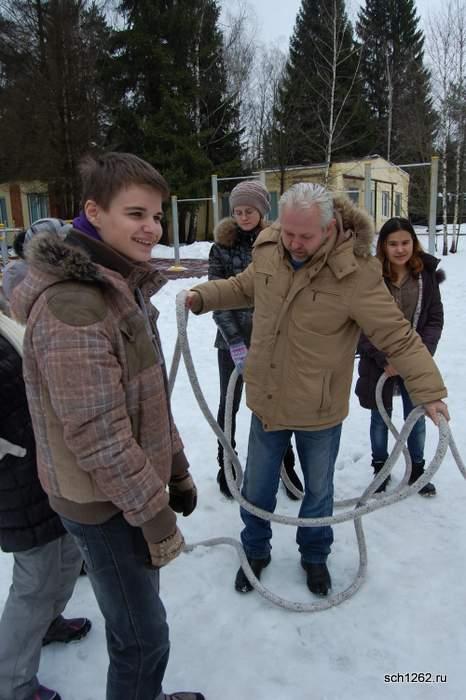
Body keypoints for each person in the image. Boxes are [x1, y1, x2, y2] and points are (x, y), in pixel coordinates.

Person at [184, 183, 449, 598]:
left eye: (304, 236)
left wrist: (428, 389)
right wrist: (202, 295)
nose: (294, 242)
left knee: (319, 492)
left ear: (329, 227)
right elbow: (245, 286)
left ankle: (314, 556)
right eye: (288, 232)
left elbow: (396, 334)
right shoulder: (270, 246)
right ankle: (254, 551)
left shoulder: (356, 273)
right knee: (256, 489)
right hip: (268, 399)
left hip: (319, 409)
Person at [10, 153, 204, 700]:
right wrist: (153, 514)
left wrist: (177, 467)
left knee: (142, 621)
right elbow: (97, 433)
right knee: (142, 638)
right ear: (94, 212)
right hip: (103, 503)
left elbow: (147, 396)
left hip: (129, 491)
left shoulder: (117, 283)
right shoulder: (76, 305)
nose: (152, 228)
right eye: (135, 214)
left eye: (157, 216)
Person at [0, 309, 91, 700]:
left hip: (48, 462)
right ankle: (12, 683)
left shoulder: (3, 318)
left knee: (69, 553)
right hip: (13, 479)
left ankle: (48, 623)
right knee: (35, 579)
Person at [208, 180, 302, 500]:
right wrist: (235, 341)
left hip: (272, 341)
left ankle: (285, 463)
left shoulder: (277, 243)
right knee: (230, 403)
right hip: (230, 341)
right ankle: (226, 462)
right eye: (238, 211)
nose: (243, 216)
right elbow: (218, 296)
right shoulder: (220, 248)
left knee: (276, 404)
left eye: (249, 210)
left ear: (262, 211)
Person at [356, 217, 444, 496]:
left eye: (405, 242)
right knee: (380, 417)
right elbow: (359, 323)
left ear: (413, 243)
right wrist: (384, 359)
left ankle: (417, 468)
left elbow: (434, 318)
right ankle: (380, 468)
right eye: (393, 243)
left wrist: (420, 355)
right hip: (378, 363)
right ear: (383, 246)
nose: (400, 249)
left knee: (416, 416)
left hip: (415, 361)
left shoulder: (425, 276)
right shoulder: (370, 276)